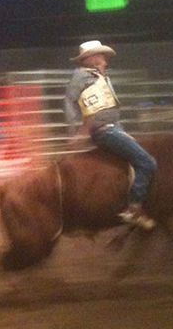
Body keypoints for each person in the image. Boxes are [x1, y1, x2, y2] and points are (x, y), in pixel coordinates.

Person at [64, 39, 157, 230]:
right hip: (106, 131)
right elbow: (70, 103)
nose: (105, 61)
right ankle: (134, 208)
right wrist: (74, 131)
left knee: (136, 159)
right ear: (91, 58)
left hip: (112, 129)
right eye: (101, 56)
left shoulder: (98, 77)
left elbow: (108, 108)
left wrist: (122, 132)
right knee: (148, 163)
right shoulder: (81, 77)